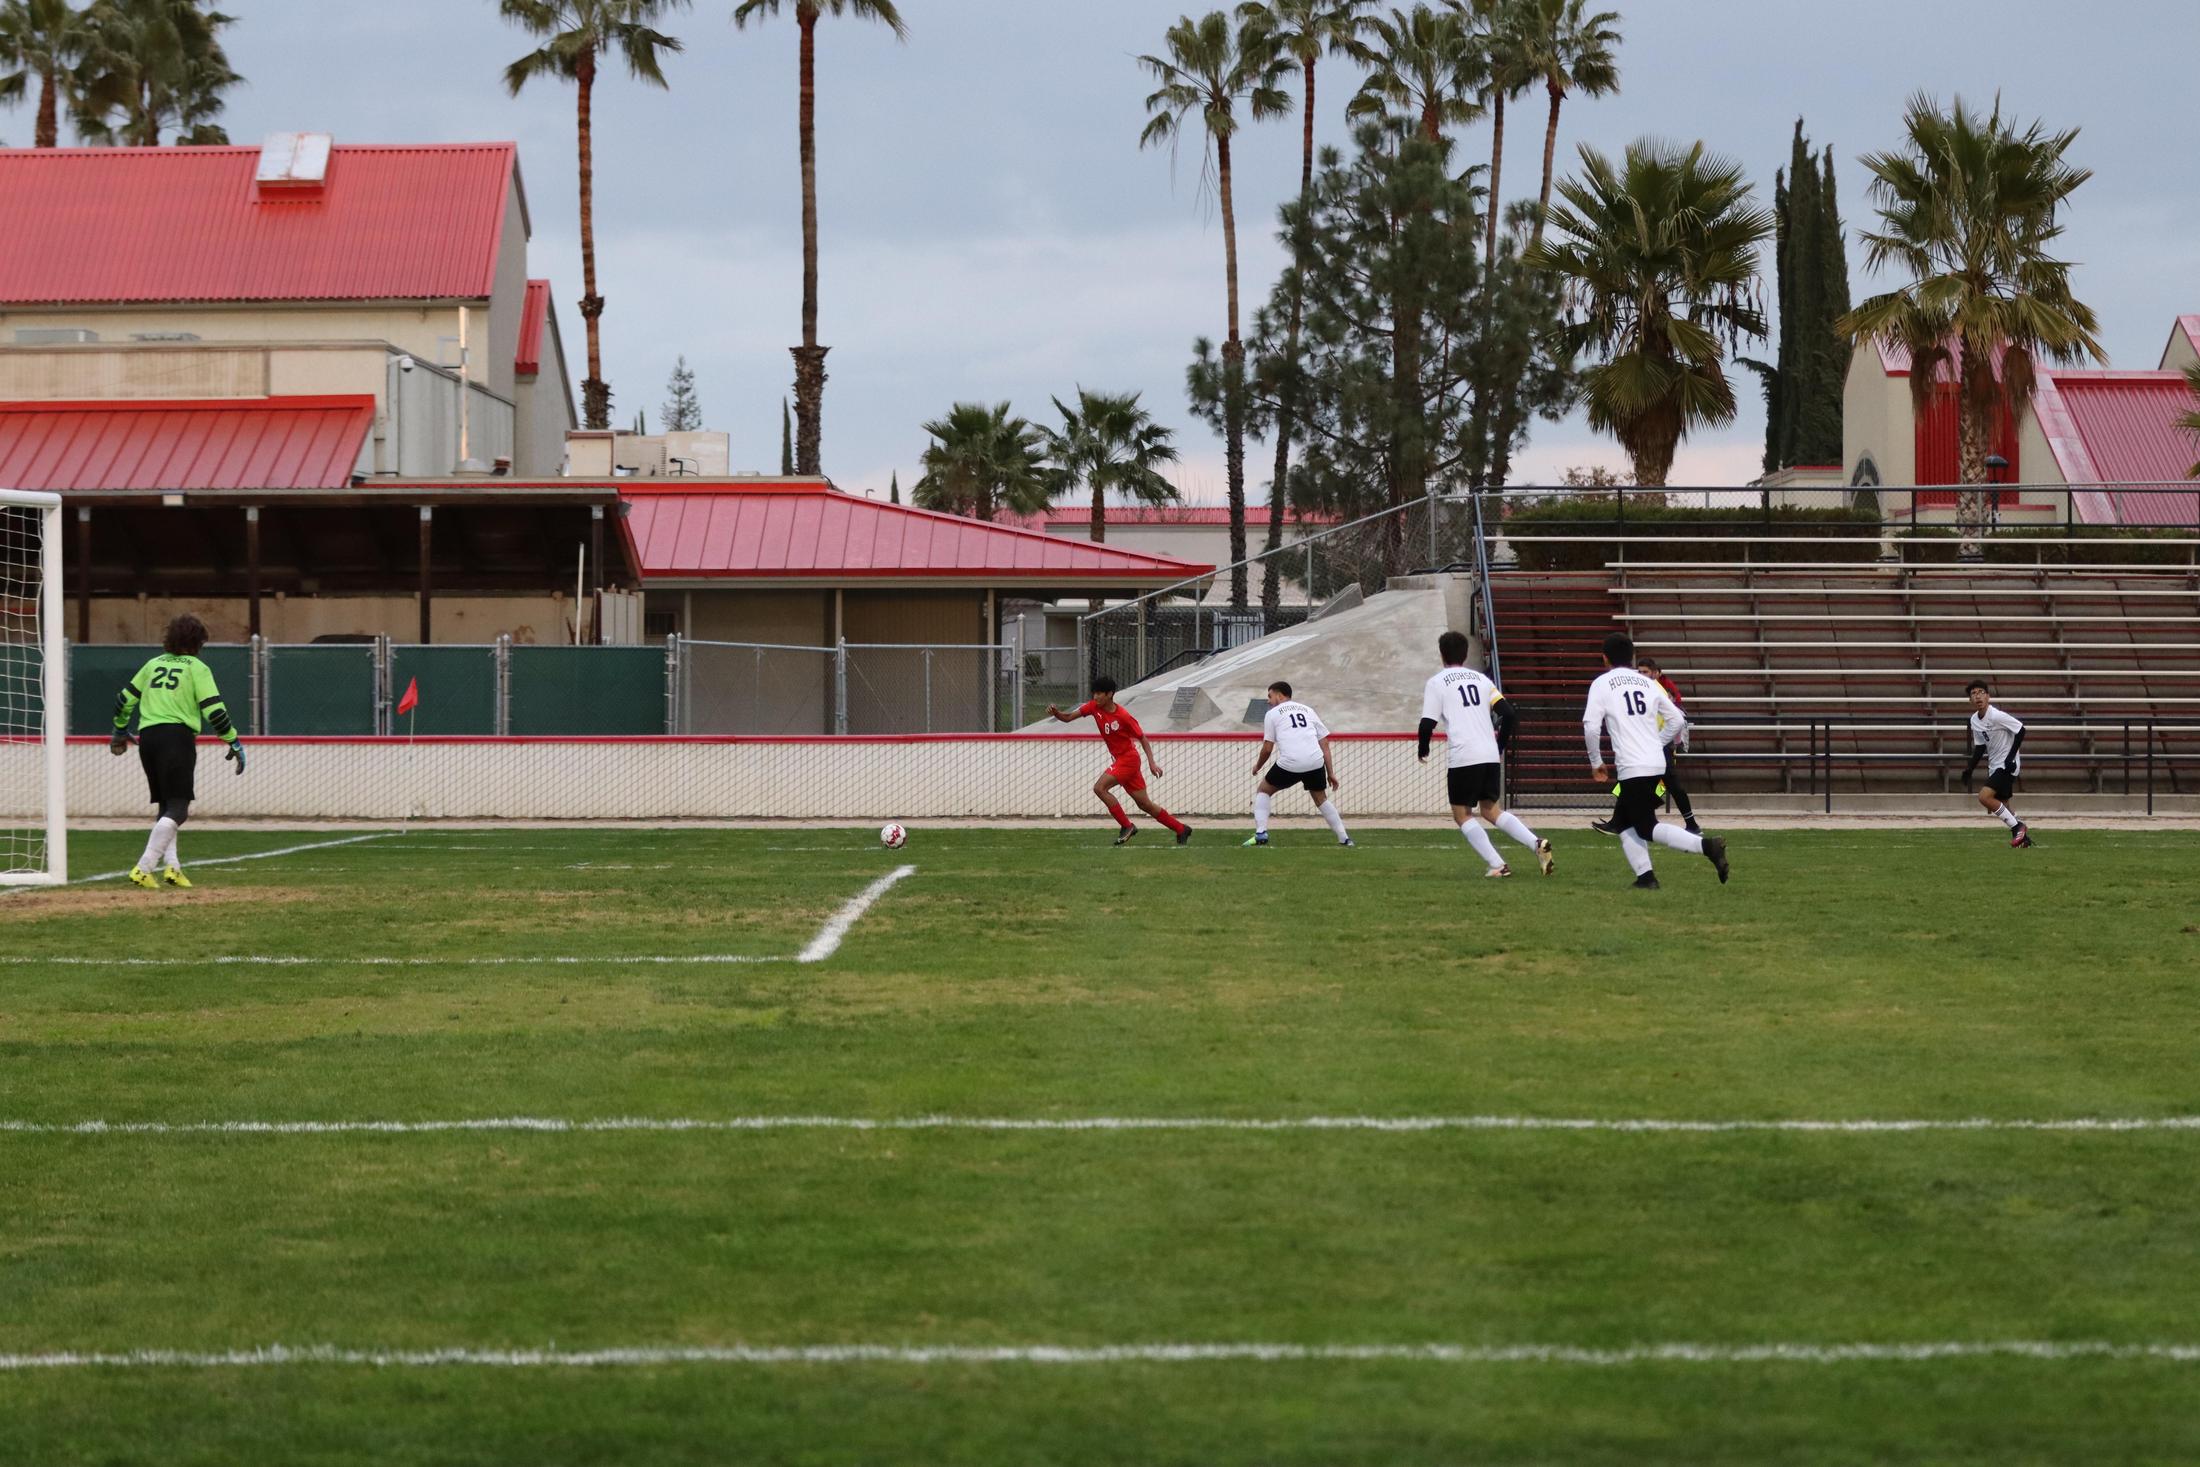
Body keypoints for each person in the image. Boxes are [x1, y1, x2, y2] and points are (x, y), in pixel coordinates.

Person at [1583, 632, 1727, 890]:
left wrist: (1596, 761)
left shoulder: (1602, 683)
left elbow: (1591, 726)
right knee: (1624, 822)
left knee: (1647, 826)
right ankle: (1646, 878)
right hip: (1656, 763)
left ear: (1604, 658)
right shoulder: (1649, 683)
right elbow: (1678, 720)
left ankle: (1707, 846)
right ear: (1632, 657)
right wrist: (1656, 743)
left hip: (1633, 766)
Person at [111, 613, 245, 889]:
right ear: (198, 643)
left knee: (166, 805)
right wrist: (232, 740)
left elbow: (124, 699)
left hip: (148, 738)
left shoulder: (152, 664)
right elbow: (214, 710)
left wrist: (120, 730)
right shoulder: (197, 668)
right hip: (177, 737)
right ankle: (144, 867)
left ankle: (172, 867)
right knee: (179, 809)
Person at [1417, 630, 1553, 878]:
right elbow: (1508, 713)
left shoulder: (1437, 682)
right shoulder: (1482, 680)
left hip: (1464, 755)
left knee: (1462, 814)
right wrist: (1499, 746)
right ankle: (1536, 843)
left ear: (1442, 654)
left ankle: (1498, 865)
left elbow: (1427, 724)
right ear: (1465, 654)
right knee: (1491, 810)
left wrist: (1423, 749)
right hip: (1489, 754)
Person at [1045, 676, 1191, 846]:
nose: (1095, 697)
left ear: (1110, 694)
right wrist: (1056, 713)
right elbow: (1068, 717)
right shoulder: (1093, 707)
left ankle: (1127, 826)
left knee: (1100, 788)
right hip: (1122, 761)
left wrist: (1152, 763)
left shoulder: (1123, 716)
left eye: (1099, 693)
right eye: (1094, 693)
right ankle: (1181, 829)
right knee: (1145, 804)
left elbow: (1142, 738)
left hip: (1128, 760)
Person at [1591, 654, 1701, 837]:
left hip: (1656, 745)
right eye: (1640, 671)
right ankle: (1619, 822)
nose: (1642, 675)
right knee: (1630, 784)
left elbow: (1674, 719)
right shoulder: (1644, 688)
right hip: (1649, 745)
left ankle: (1690, 825)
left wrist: (1658, 742)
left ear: (1655, 673)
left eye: (1645, 672)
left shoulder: (1654, 689)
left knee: (1668, 786)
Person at [1244, 681, 1352, 847]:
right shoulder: (1308, 710)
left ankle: (1261, 833)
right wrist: (1330, 773)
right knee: (1321, 799)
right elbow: (1324, 743)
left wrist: (1258, 766)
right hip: (1315, 762)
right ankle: (1345, 838)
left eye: (1270, 696)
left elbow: (1267, 748)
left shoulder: (1272, 714)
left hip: (1291, 762)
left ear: (1279, 695)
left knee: (1263, 791)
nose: (1268, 701)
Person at [1962, 678, 2033, 848]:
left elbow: (2021, 730)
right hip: (1995, 766)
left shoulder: (1996, 716)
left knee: (1984, 797)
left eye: (1981, 692)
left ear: (1988, 696)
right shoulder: (1974, 720)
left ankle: (2018, 827)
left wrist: (2010, 758)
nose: (1978, 696)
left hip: (2007, 766)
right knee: (2003, 805)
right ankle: (2024, 839)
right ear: (1970, 700)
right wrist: (1969, 769)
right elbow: (1980, 747)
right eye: (1973, 693)